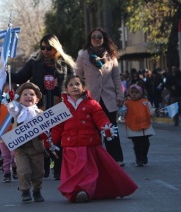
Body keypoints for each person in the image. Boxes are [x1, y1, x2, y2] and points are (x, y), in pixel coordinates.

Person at [50, 75, 138, 203]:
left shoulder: (92, 103)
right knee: (73, 173)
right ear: (66, 89)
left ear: (83, 87)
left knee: (85, 171)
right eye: (71, 85)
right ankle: (75, 192)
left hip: (88, 145)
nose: (74, 87)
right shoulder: (61, 107)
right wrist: (52, 141)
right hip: (69, 146)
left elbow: (101, 118)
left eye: (77, 84)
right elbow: (57, 127)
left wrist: (106, 127)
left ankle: (83, 191)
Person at [10, 33, 76, 180]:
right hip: (41, 106)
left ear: (56, 48)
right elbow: (20, 77)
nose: (45, 51)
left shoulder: (65, 64)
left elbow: (72, 82)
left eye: (49, 48)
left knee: (58, 138)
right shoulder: (34, 62)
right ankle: (44, 167)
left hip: (59, 105)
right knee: (42, 137)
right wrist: (6, 72)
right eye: (43, 48)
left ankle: (58, 169)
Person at [75, 27, 125, 166]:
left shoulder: (111, 56)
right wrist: (79, 94)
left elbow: (116, 78)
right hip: (90, 98)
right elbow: (78, 77)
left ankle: (116, 158)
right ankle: (96, 158)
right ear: (90, 40)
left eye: (99, 37)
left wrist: (120, 95)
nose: (96, 39)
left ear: (104, 39)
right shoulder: (83, 56)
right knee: (93, 130)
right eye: (94, 37)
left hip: (109, 97)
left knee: (111, 128)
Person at [5, 82, 45, 203]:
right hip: (21, 148)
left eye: (32, 94)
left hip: (36, 147)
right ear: (20, 98)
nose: (28, 96)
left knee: (38, 171)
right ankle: (25, 190)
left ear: (37, 99)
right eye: (25, 94)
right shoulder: (17, 111)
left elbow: (47, 128)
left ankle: (37, 190)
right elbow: (11, 107)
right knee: (23, 170)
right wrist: (11, 99)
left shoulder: (40, 114)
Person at [120, 84, 155, 167]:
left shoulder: (145, 102)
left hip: (145, 128)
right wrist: (121, 110)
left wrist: (155, 111)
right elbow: (122, 112)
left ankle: (144, 156)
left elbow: (150, 111)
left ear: (141, 93)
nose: (134, 94)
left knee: (146, 144)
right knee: (137, 145)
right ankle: (139, 159)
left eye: (136, 92)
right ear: (129, 93)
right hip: (133, 129)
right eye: (132, 92)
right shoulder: (127, 103)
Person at [0, 83, 18, 183]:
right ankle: (6, 173)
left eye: (10, 91)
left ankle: (14, 168)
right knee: (5, 156)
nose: (7, 93)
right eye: (5, 91)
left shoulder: (17, 103)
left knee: (13, 154)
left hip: (14, 133)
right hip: (2, 133)